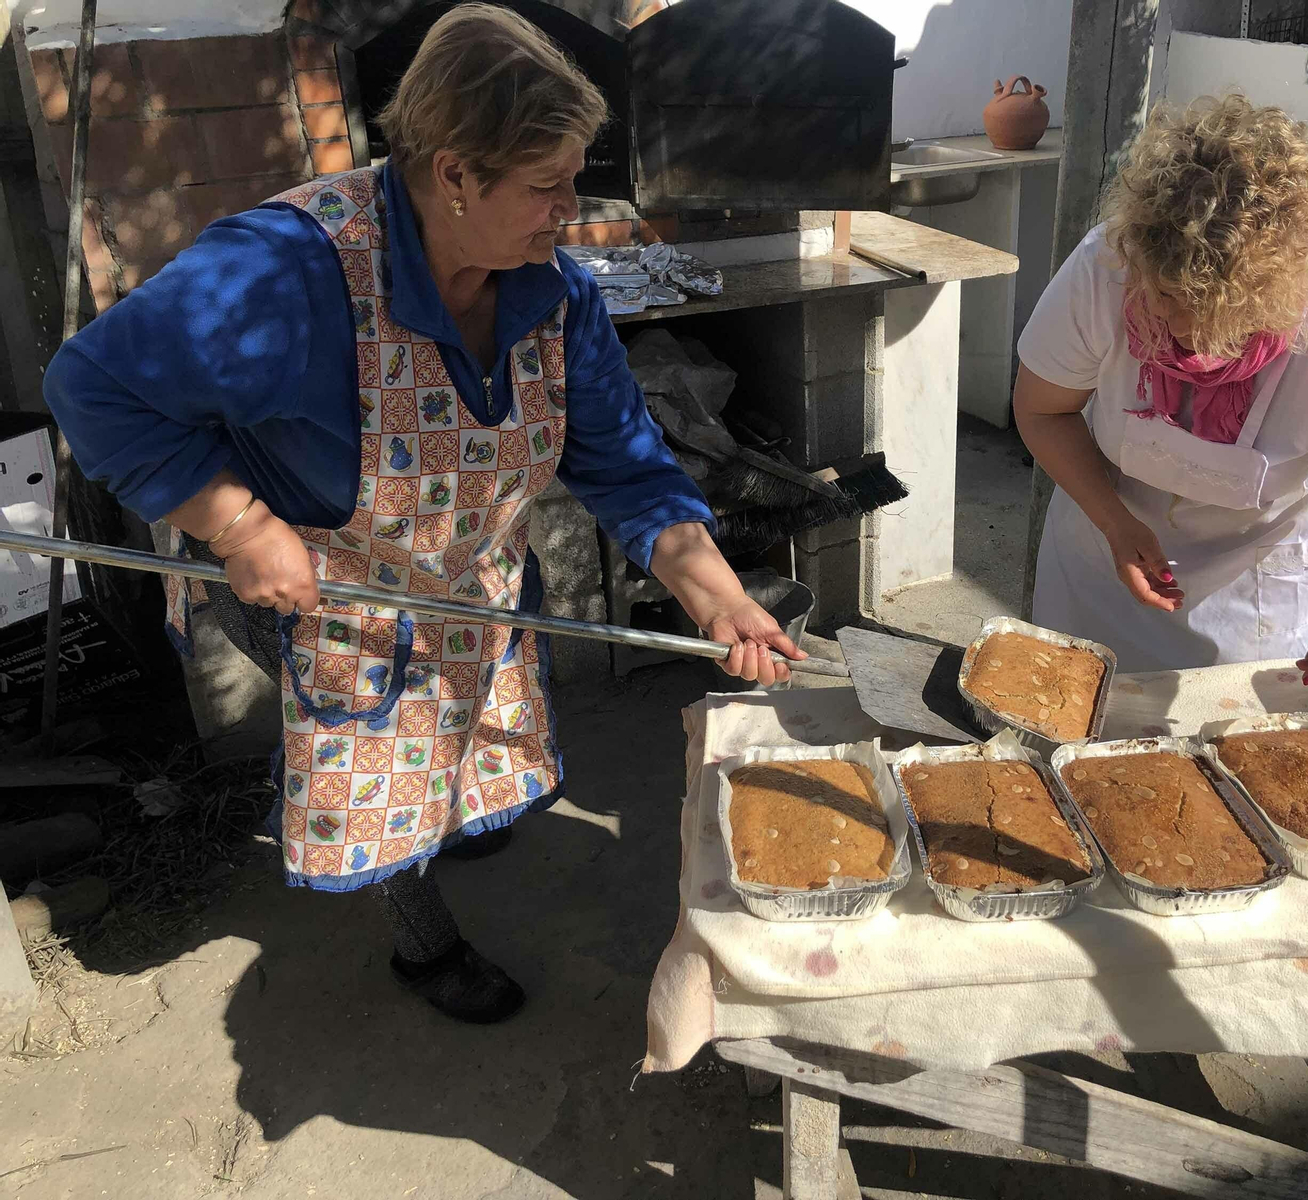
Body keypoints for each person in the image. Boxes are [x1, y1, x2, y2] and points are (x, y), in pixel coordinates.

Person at [43, 4, 802, 1023]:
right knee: (380, 770)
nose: (568, 213)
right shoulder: (284, 270)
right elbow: (90, 385)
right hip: (320, 595)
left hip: (466, 583)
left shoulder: (554, 299)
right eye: (546, 188)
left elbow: (627, 465)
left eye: (573, 182)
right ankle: (424, 943)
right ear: (452, 174)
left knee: (458, 736)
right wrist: (234, 524)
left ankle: (463, 807)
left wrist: (716, 601)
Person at [1014, 94, 1308, 703]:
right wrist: (1114, 521)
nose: (1185, 341)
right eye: (1164, 309)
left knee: (1242, 754)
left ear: (1286, 295)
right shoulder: (1106, 267)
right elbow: (1043, 408)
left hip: (1276, 587)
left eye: (1218, 327)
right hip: (1106, 558)